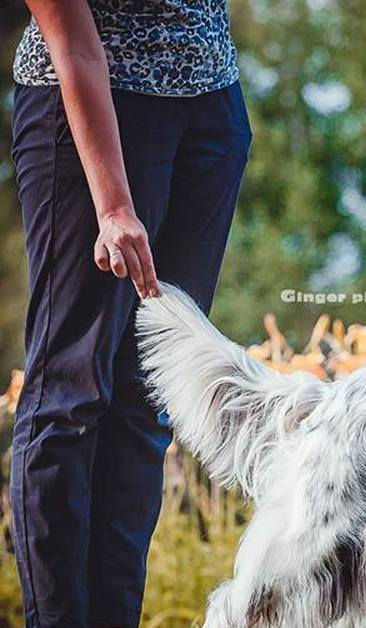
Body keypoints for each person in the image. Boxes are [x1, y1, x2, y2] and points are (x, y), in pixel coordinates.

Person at [9, 1, 250, 625]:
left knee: (147, 402)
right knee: (71, 396)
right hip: (89, 110)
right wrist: (114, 206)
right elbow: (74, 41)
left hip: (211, 112)